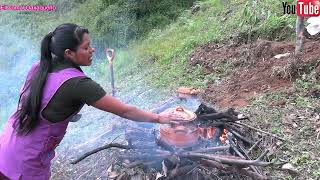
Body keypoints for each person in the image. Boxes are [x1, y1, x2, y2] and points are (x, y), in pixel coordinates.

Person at [0, 23, 182, 180]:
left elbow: (41, 101)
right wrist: (159, 118)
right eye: (86, 47)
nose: (92, 50)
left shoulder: (39, 67)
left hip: (6, 144)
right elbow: (125, 111)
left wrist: (66, 112)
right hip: (25, 163)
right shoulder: (79, 85)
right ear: (69, 53)